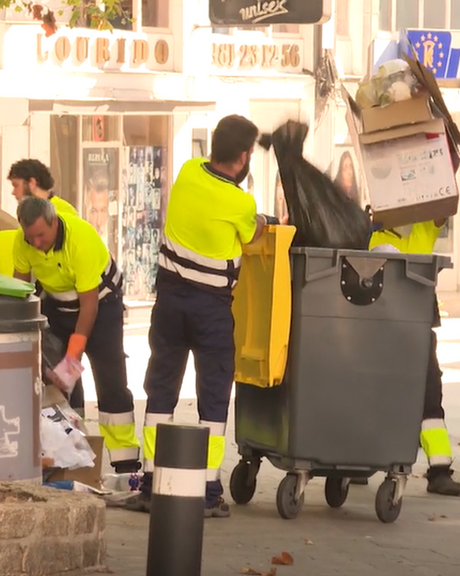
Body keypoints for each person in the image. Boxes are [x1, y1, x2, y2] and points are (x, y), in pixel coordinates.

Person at [125, 114, 269, 518]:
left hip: (169, 304)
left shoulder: (188, 172)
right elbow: (252, 235)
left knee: (160, 391)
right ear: (244, 157)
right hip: (211, 310)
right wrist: (260, 222)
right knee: (213, 397)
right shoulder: (241, 202)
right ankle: (207, 490)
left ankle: (151, 483)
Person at [12, 197, 141, 473]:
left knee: (110, 381)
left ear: (54, 222)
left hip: (101, 306)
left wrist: (72, 360)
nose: (35, 243)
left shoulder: (81, 239)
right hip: (58, 307)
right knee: (61, 386)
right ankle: (73, 460)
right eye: (30, 236)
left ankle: (126, 464)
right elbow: (19, 291)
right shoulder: (22, 241)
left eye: (41, 235)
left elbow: (89, 307)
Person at [365, 216, 460, 497]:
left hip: (417, 324)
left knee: (429, 395)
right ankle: (358, 462)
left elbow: (444, 203)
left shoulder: (423, 225)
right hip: (378, 324)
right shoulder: (367, 231)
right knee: (371, 392)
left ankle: (439, 469)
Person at [8, 159, 79, 218]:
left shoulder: (63, 212)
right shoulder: (31, 212)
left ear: (32, 183)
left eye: (16, 185)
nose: (13, 192)